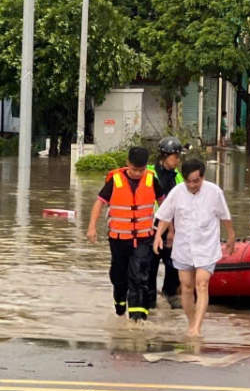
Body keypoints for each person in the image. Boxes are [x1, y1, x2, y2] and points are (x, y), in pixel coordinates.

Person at [153, 159, 235, 337]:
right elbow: (165, 216)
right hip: (183, 247)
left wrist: (231, 236)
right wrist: (158, 235)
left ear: (203, 177)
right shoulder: (177, 192)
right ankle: (191, 323)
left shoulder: (214, 192)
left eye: (196, 181)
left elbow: (225, 216)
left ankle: (197, 327)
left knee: (202, 284)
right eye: (188, 181)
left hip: (206, 245)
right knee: (187, 286)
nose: (191, 185)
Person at [87, 146, 158, 323]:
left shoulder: (151, 180)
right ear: (127, 164)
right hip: (119, 240)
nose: (138, 173)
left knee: (139, 278)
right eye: (134, 169)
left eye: (141, 170)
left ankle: (137, 321)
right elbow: (99, 203)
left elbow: (167, 205)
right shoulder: (115, 181)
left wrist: (170, 230)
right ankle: (120, 308)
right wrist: (92, 227)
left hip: (143, 239)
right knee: (119, 278)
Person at [147, 137, 184, 309]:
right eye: (175, 156)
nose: (177, 160)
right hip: (151, 225)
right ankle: (150, 297)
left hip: (173, 226)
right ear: (164, 156)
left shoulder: (178, 178)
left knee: (172, 263)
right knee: (150, 264)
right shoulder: (149, 174)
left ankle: (170, 293)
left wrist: (173, 230)